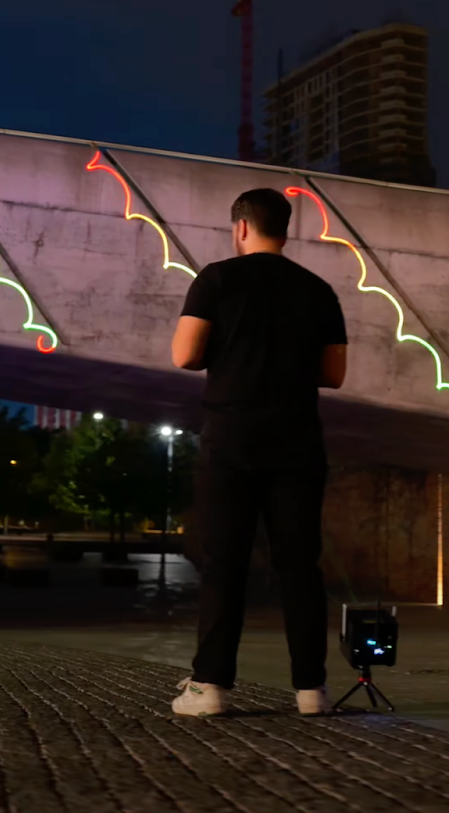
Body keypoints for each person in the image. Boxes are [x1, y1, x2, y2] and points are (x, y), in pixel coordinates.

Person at [167, 188, 348, 718]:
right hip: (297, 443)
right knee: (300, 567)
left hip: (231, 441)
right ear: (286, 229)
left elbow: (184, 355)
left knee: (224, 564)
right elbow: (333, 374)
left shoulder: (217, 279)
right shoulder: (318, 290)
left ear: (241, 227)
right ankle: (311, 690)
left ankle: (212, 686)